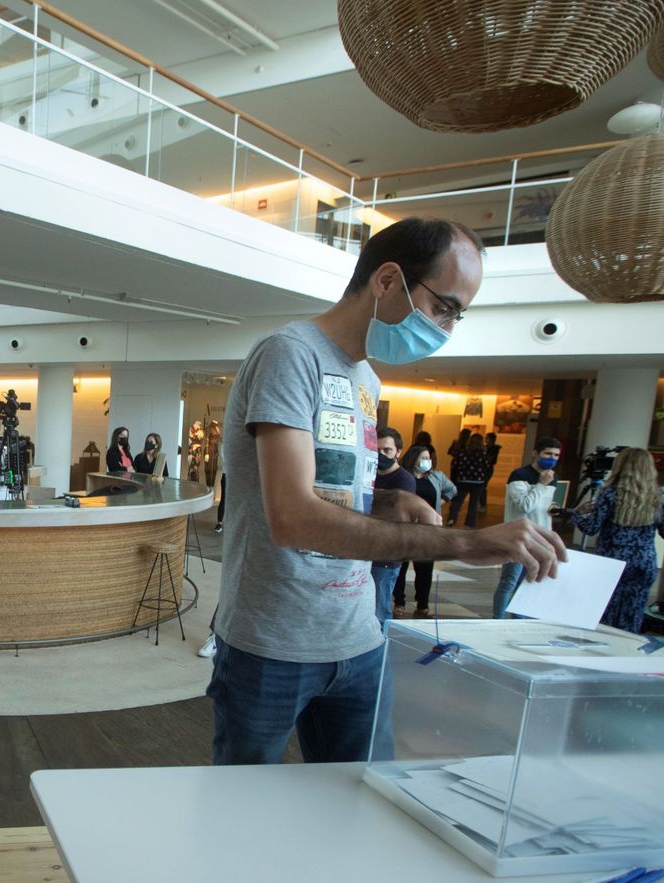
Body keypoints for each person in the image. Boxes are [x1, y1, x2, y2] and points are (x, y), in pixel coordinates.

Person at [209, 217, 565, 767]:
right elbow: (292, 518)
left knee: (362, 796)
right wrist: (466, 543)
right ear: (388, 280)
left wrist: (386, 501)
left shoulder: (366, 378)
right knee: (245, 803)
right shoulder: (290, 354)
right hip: (273, 642)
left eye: (457, 316)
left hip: (358, 636)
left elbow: (326, 495)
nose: (446, 328)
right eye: (443, 307)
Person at [570, 447, 664, 632]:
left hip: (611, 561)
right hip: (644, 562)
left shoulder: (609, 494)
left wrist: (576, 515)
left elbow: (591, 528)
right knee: (633, 615)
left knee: (605, 615)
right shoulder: (658, 496)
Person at [492, 436, 563, 619]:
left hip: (540, 538)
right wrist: (541, 485)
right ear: (535, 453)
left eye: (556, 455)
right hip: (518, 537)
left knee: (527, 583)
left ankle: (518, 621)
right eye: (548, 454)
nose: (552, 458)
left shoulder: (553, 478)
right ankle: (497, 621)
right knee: (509, 581)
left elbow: (545, 507)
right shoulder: (520, 475)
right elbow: (524, 506)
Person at [394, 444, 455, 618]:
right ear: (413, 459)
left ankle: (423, 605)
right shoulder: (403, 476)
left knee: (425, 570)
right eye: (423, 458)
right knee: (400, 568)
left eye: (428, 458)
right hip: (405, 528)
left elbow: (452, 490)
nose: (427, 461)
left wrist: (438, 504)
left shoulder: (435, 476)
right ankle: (399, 602)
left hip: (428, 530)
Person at [370, 427, 415, 623]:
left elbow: (398, 517)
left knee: (379, 609)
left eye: (387, 450)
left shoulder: (404, 479)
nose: (381, 454)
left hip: (386, 555)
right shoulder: (370, 473)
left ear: (398, 452)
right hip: (365, 549)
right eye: (376, 450)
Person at [446, 432, 492, 527]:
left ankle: (452, 519)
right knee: (473, 504)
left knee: (457, 502)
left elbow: (455, 465)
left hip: (463, 480)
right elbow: (487, 467)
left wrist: (456, 478)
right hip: (478, 482)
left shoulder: (462, 453)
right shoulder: (483, 454)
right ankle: (469, 524)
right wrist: (484, 479)